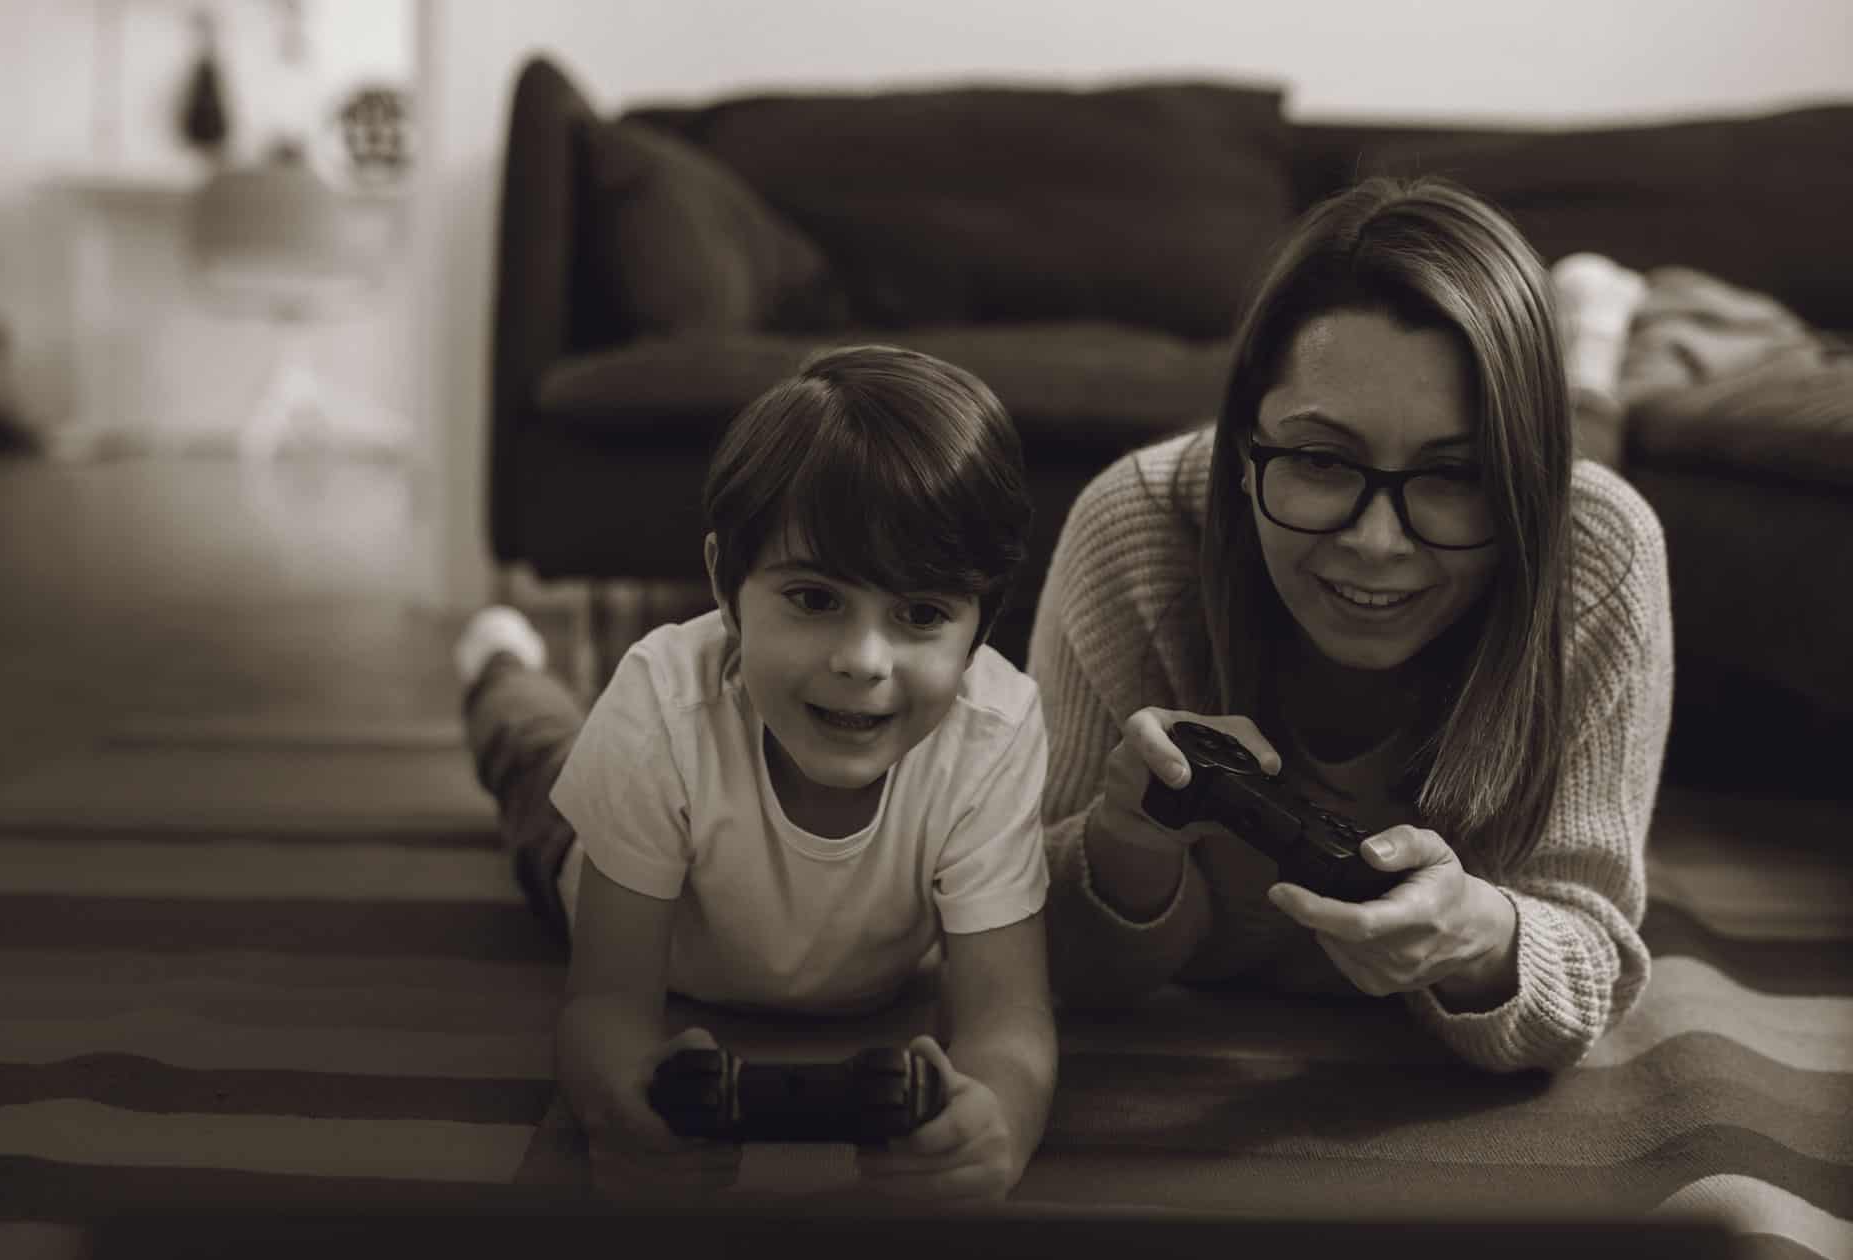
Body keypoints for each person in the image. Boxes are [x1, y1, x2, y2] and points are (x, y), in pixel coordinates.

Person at [1028, 176, 1673, 1073]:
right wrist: (1124, 845)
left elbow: (1587, 961)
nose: (1378, 542)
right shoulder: (1132, 528)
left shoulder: (1599, 551)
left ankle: (1592, 344)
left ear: (1519, 482)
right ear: (1244, 447)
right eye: (1323, 460)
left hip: (1569, 504)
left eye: (1457, 476)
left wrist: (1481, 934)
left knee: (1593, 457)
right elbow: (1045, 947)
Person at [456, 345, 1056, 1200]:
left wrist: (995, 1124)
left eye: (921, 614)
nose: (862, 660)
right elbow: (605, 1011)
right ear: (725, 586)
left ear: (980, 626)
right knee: (533, 754)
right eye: (814, 598)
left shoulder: (994, 731)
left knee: (573, 743)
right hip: (610, 886)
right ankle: (499, 666)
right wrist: (618, 1105)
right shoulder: (660, 704)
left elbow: (1011, 1022)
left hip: (814, 932)